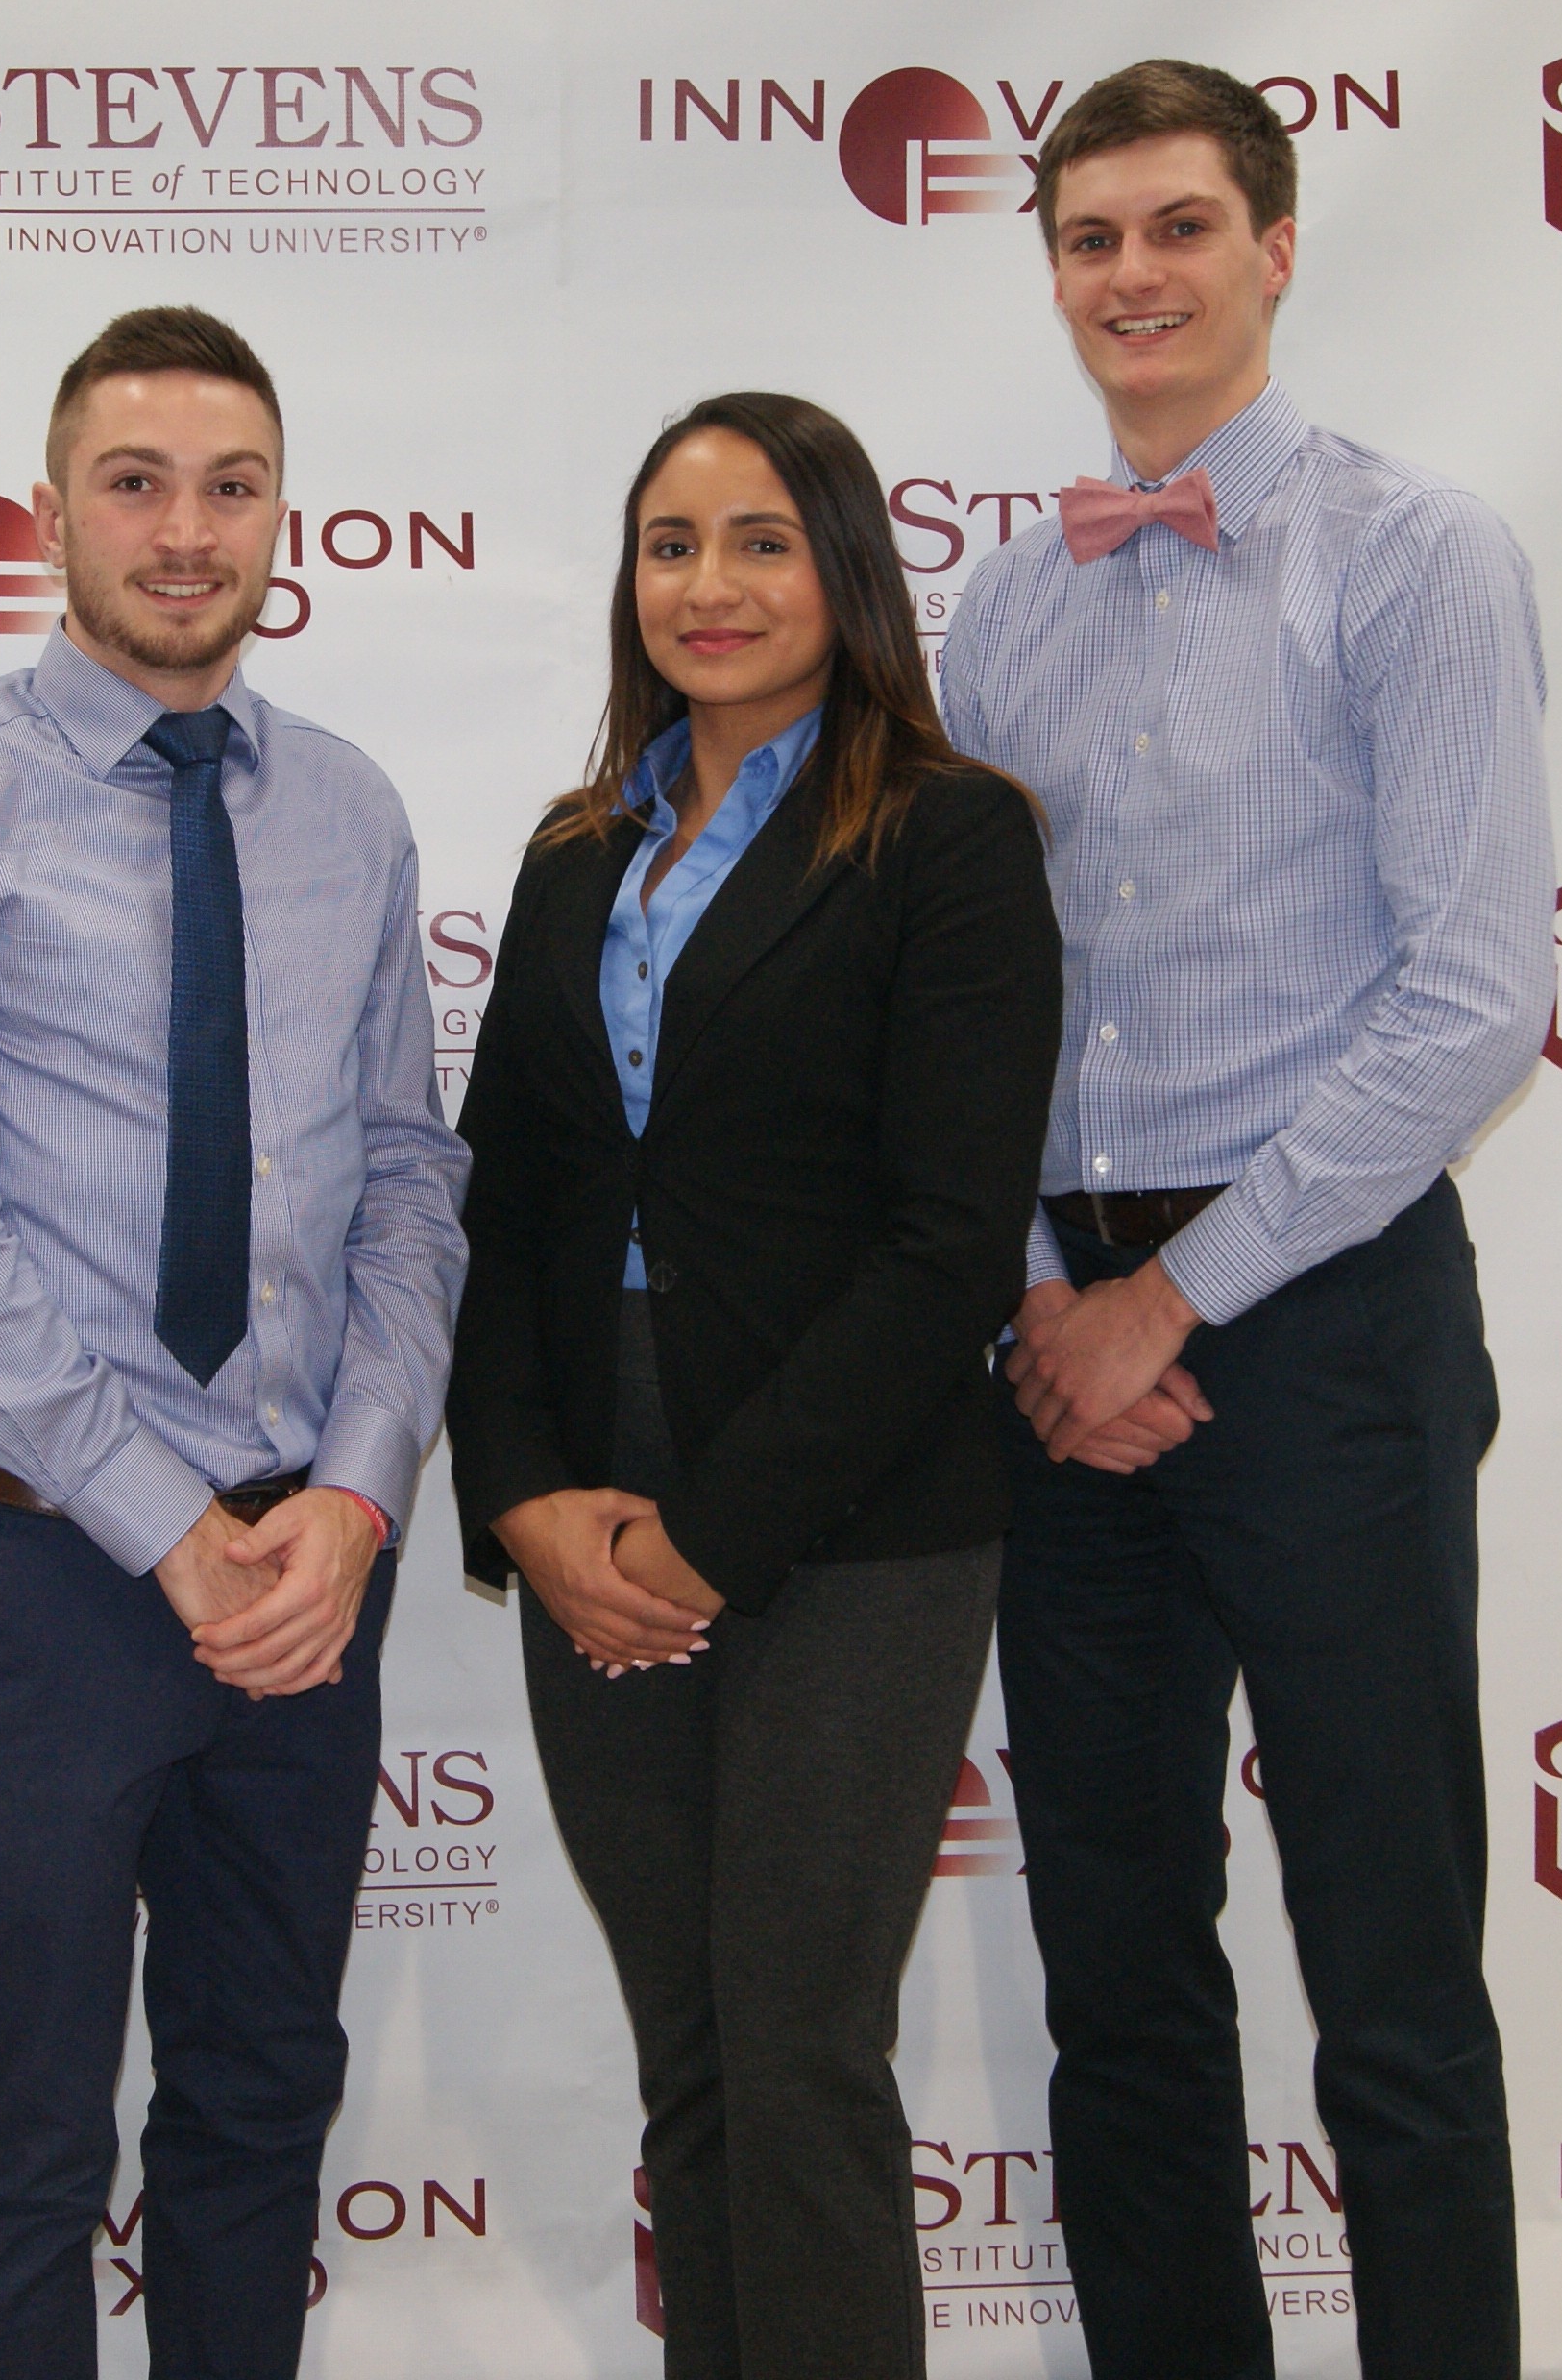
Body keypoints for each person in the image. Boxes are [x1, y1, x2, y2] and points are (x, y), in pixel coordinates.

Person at [938, 62, 1554, 2380]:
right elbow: (960, 1015)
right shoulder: (999, 609)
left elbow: (1483, 994)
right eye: (1090, 239)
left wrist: (1164, 1299)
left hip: (1313, 1316)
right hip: (1054, 1327)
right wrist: (1036, 1303)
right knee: (1118, 1980)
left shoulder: (1412, 556)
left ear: (1275, 250)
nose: (1134, 278)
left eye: (1178, 228)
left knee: (1390, 1977)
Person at [0, 305, 467, 2380]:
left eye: (231, 485)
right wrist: (173, 1534)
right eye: (136, 482)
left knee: (262, 2102)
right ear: (46, 514)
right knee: (18, 2136)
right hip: (39, 1577)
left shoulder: (347, 812)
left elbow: (403, 1185)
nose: (185, 533)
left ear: (283, 518)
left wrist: (355, 1498)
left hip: (306, 1582)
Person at [450, 393, 1062, 2378]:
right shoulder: (577, 851)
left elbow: (947, 1246)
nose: (707, 585)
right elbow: (504, 1201)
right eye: (669, 545)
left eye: (759, 540)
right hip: (587, 1488)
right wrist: (529, 1494)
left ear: (845, 570)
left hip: (849, 1508)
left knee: (801, 2055)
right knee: (694, 2055)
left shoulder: (948, 837)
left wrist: (709, 1535)